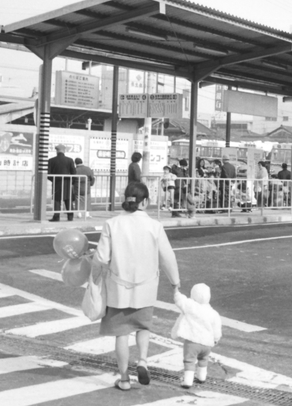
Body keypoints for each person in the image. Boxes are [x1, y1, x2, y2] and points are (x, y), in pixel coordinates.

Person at [91, 182, 180, 391]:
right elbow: (167, 257)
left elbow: (102, 257)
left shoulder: (112, 224)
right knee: (142, 327)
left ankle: (124, 379)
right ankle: (143, 361)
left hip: (118, 288)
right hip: (146, 287)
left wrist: (93, 277)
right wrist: (175, 281)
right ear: (146, 201)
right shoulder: (155, 226)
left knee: (122, 333)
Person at [172, 283, 222, 388]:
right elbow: (217, 329)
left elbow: (180, 300)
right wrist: (216, 339)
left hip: (192, 342)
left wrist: (176, 290)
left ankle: (188, 381)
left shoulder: (191, 306)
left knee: (189, 361)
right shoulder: (213, 313)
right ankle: (201, 377)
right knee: (203, 360)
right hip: (207, 344)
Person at [47, 144, 77, 222]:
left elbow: (48, 174)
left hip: (56, 183)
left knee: (57, 200)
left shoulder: (51, 160)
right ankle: (70, 217)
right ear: (64, 151)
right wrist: (72, 181)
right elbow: (74, 172)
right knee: (68, 199)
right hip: (67, 183)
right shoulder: (69, 160)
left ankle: (56, 217)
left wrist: (53, 180)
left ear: (56, 151)